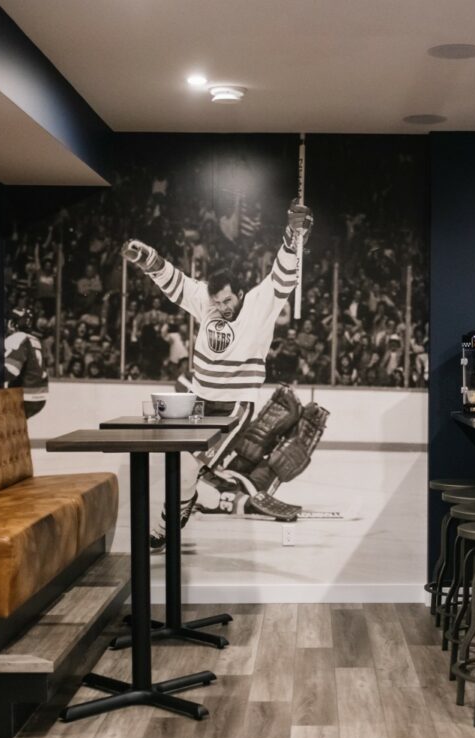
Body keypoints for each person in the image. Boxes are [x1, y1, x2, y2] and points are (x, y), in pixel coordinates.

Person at [123, 201, 329, 551]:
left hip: (233, 408)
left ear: (240, 293)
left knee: (189, 470)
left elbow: (283, 273)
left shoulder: (260, 304)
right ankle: (179, 511)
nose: (223, 307)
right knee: (180, 466)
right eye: (217, 302)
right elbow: (173, 281)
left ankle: (165, 526)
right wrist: (147, 259)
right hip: (199, 401)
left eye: (228, 299)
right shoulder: (205, 301)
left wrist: (295, 234)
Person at [3, 307, 49, 418]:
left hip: (25, 396)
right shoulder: (35, 339)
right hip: (40, 396)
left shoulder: (18, 337)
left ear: (12, 323)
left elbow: (11, 371)